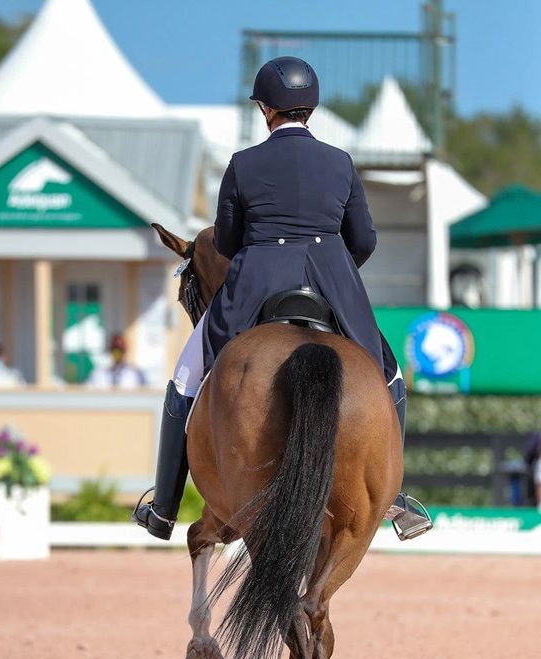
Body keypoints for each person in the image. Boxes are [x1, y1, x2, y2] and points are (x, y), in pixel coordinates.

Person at [134, 56, 431, 541]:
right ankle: (394, 497)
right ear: (310, 107)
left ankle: (164, 506)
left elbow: (226, 242)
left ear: (265, 109)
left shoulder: (243, 164)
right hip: (330, 279)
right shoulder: (340, 162)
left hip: (256, 280)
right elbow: (364, 239)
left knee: (186, 377)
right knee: (387, 373)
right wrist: (334, 271)